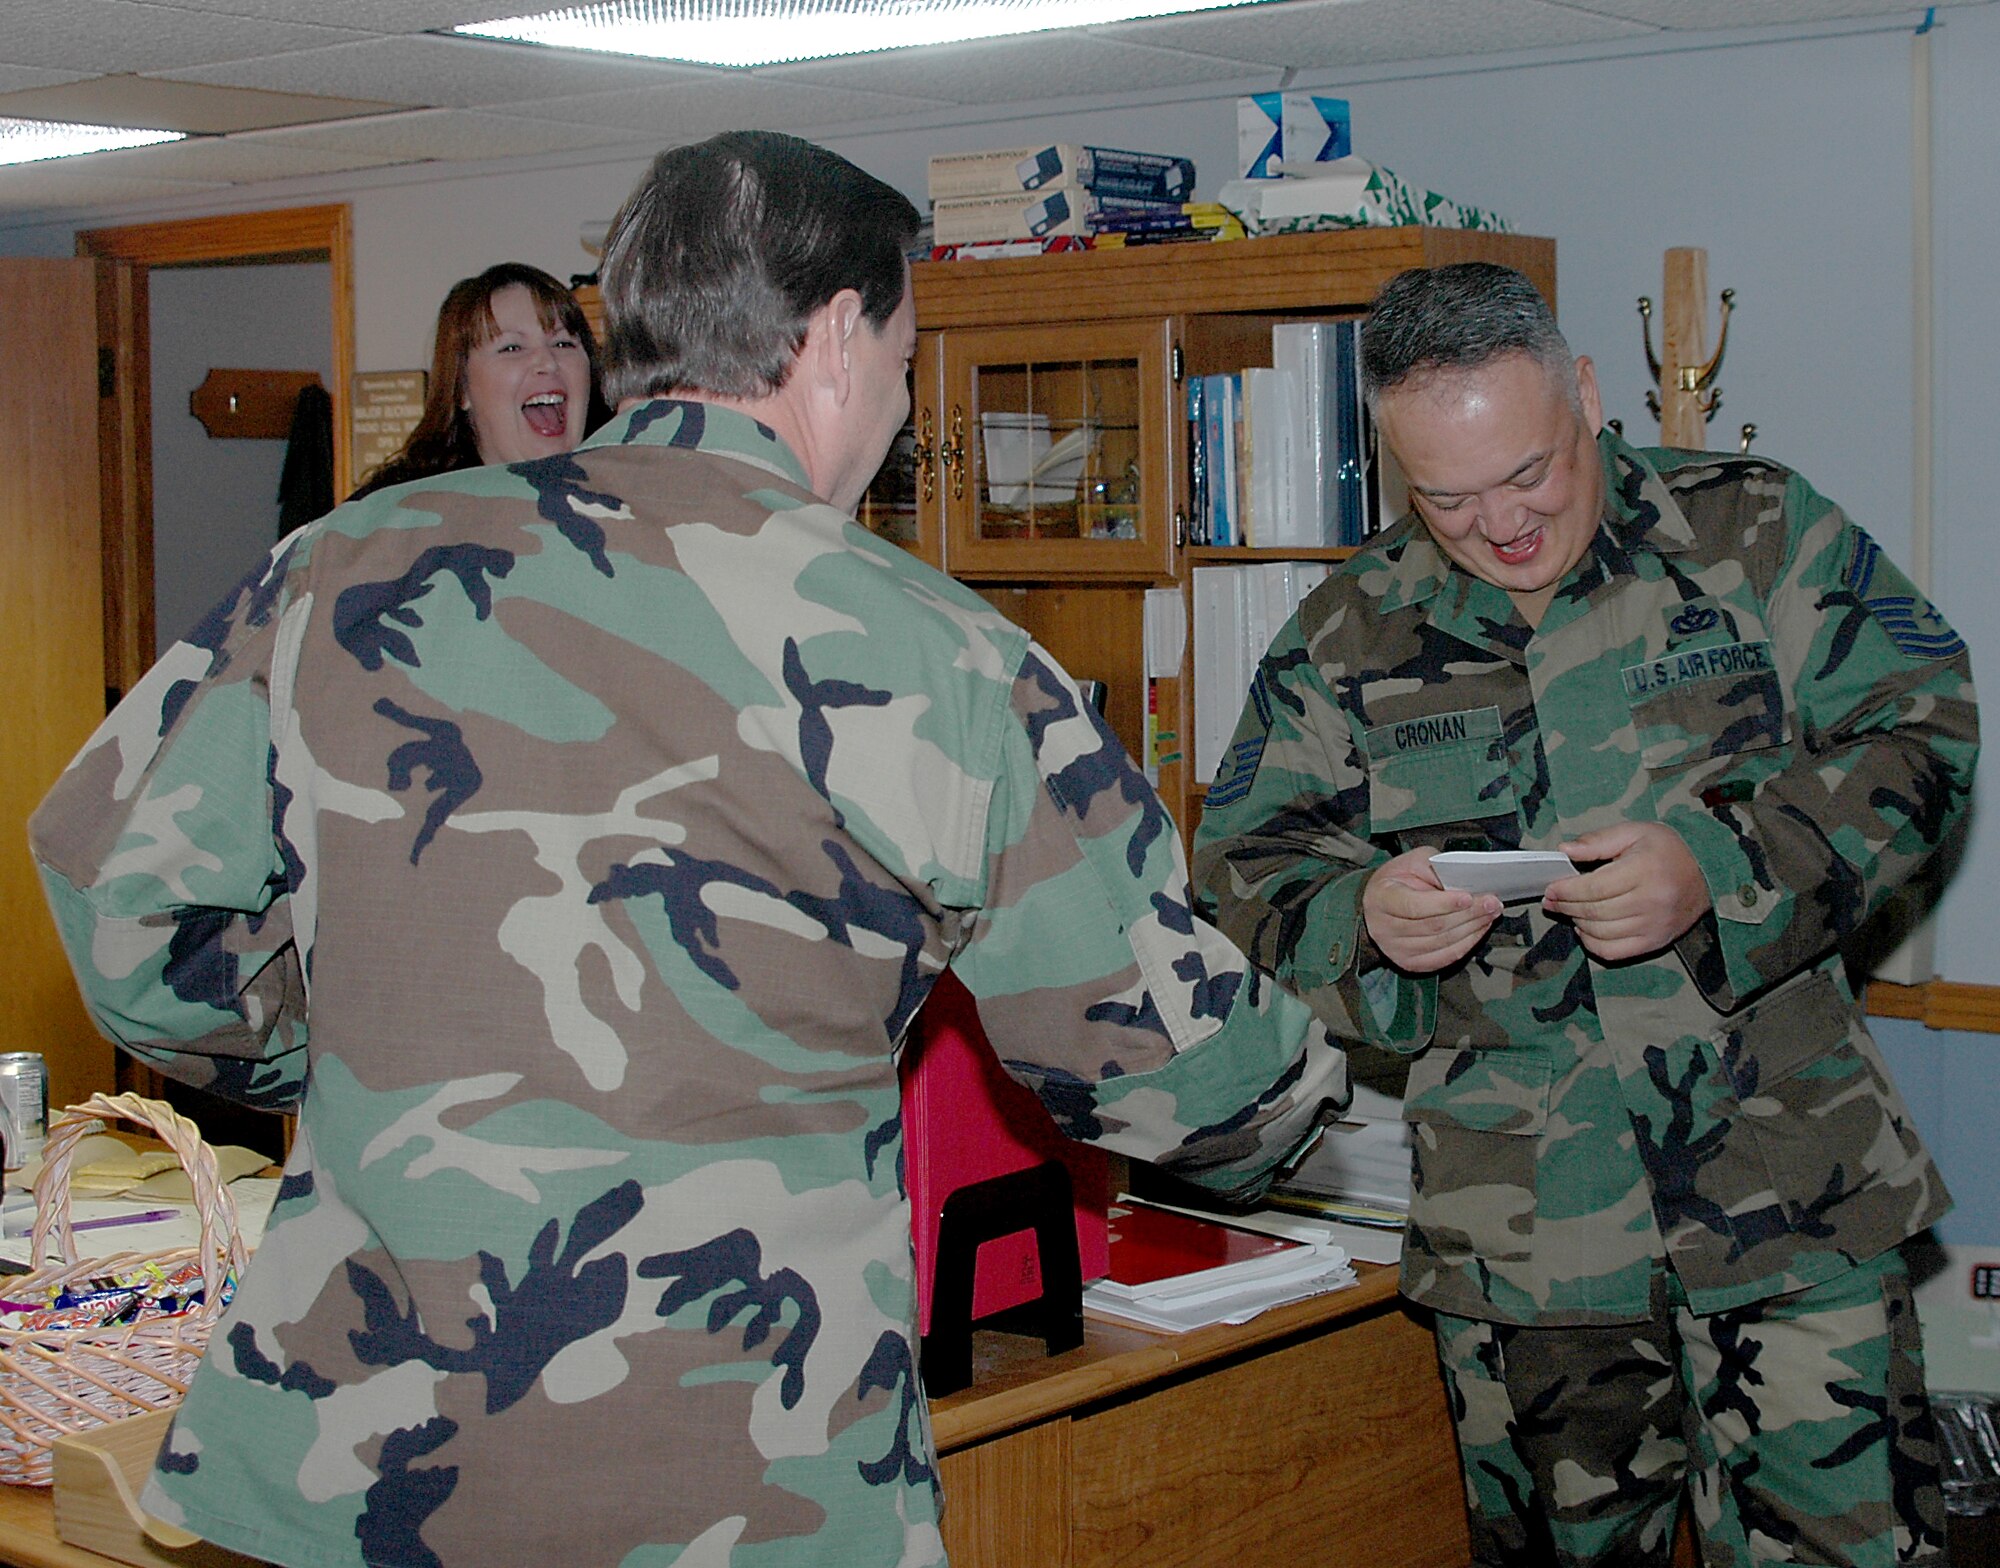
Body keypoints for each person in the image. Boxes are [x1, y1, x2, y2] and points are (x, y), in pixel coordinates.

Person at [29, 131, 1346, 1568]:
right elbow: (1174, 1071)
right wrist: (1318, 1087)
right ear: (839, 335)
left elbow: (126, 911)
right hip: (735, 1479)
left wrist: (341, 1052)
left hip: (356, 1468)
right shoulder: (944, 657)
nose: (902, 409)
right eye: (906, 361)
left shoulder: (336, 569)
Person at [1192, 261, 1977, 1568]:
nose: (1501, 525)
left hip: (1791, 1192)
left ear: (1588, 398)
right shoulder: (1349, 630)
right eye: (1448, 499)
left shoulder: (1756, 533)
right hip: (1525, 1233)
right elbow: (1243, 865)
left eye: (1530, 474)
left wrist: (1717, 872)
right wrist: (1365, 914)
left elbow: (1923, 730)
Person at [349, 261, 610, 498]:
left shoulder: (626, 501)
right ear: (461, 388)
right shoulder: (397, 516)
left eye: (563, 343)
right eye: (512, 348)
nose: (547, 362)